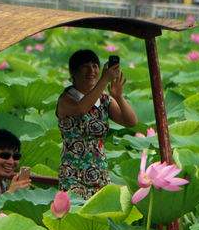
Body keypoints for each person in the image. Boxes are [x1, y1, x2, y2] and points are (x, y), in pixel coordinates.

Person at [57, 49, 138, 198]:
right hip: (74, 173)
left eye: (95, 66)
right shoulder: (66, 99)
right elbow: (81, 108)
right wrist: (104, 80)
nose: (92, 71)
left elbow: (131, 121)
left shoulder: (104, 99)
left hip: (99, 170)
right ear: (73, 72)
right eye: (85, 67)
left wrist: (118, 97)